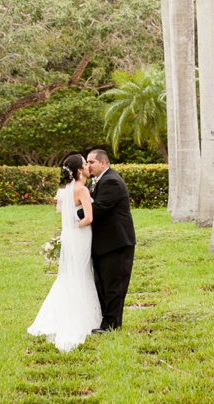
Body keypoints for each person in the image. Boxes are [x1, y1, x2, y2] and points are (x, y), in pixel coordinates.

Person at [27, 154, 101, 352]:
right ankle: (80, 318)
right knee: (81, 274)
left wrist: (69, 229)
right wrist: (77, 224)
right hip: (81, 236)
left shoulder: (65, 191)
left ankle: (57, 316)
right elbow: (89, 218)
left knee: (69, 275)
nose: (88, 167)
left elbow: (62, 212)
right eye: (85, 164)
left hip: (70, 237)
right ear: (79, 171)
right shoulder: (82, 189)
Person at [86, 148, 136, 332]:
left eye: (91, 162)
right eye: (87, 162)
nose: (88, 166)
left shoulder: (111, 182)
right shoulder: (96, 181)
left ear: (103, 163)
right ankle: (105, 321)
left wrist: (74, 215)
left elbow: (97, 209)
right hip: (103, 243)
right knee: (103, 284)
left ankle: (112, 324)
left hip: (117, 242)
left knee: (114, 285)